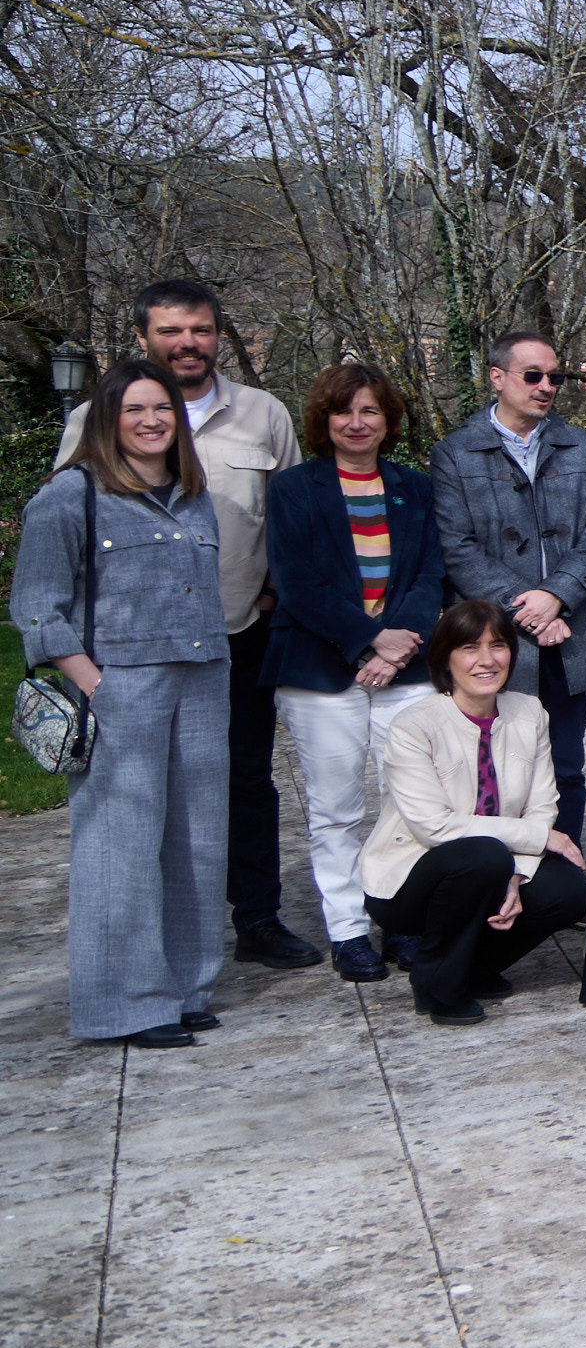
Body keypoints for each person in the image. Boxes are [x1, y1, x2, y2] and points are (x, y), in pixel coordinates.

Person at [54, 280, 309, 971]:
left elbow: (292, 516)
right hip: (131, 651)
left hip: (236, 633)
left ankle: (255, 918)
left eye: (199, 330)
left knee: (247, 780)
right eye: (171, 331)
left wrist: (272, 590)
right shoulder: (90, 423)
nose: (187, 343)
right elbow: (68, 538)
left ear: (217, 335)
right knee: (139, 794)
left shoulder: (263, 414)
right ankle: (151, 937)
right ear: (142, 338)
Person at [16, 361, 233, 1046]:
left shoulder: (194, 493)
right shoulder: (70, 495)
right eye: (134, 409)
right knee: (121, 846)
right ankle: (124, 1005)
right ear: (107, 420)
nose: (150, 421)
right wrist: (97, 687)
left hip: (201, 677)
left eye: (162, 408)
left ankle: (183, 988)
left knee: (198, 841)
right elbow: (36, 609)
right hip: (119, 684)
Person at [260, 364, 447, 985]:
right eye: (345, 412)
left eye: (370, 412)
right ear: (324, 420)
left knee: (412, 801)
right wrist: (367, 640)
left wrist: (396, 648)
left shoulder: (413, 487)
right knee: (335, 809)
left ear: (388, 421)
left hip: (409, 668)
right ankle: (347, 931)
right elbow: (295, 583)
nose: (357, 423)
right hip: (320, 671)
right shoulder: (292, 489)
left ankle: (403, 921)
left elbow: (429, 575)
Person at [357, 602, 586, 1025]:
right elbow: (435, 826)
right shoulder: (414, 724)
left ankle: (473, 968)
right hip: (410, 878)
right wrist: (541, 840)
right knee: (481, 854)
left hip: (491, 866)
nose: (487, 660)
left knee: (569, 891)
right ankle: (436, 982)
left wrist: (519, 875)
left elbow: (542, 805)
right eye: (470, 647)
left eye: (498, 646)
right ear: (445, 658)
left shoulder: (528, 711)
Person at [431, 331, 586, 842]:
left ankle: (564, 878)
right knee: (493, 770)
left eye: (554, 377)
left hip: (571, 635)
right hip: (494, 639)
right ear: (497, 377)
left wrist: (555, 596)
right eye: (532, 375)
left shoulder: (583, 446)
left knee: (566, 767)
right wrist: (528, 609)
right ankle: (499, 881)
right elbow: (458, 546)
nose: (546, 387)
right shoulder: (454, 454)